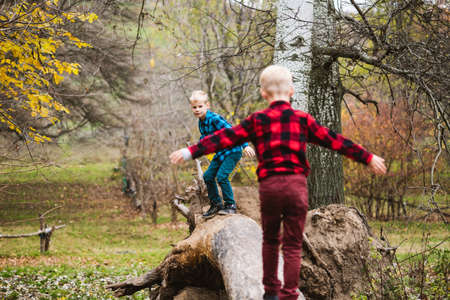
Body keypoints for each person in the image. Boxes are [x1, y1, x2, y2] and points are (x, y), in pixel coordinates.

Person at [170, 66, 387, 300]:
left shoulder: (258, 120)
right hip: (296, 188)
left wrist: (191, 151)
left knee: (271, 241)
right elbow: (334, 140)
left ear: (264, 94)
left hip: (271, 188)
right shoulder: (302, 120)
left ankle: (271, 293)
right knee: (292, 246)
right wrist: (367, 157)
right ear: (291, 91)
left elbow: (223, 138)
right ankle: (290, 294)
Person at [188, 90, 255, 218]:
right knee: (207, 177)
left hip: (233, 151)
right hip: (221, 153)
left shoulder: (214, 119)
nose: (197, 109)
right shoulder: (201, 123)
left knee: (221, 176)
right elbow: (205, 138)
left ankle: (230, 205)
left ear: (207, 105)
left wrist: (245, 146)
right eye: (194, 107)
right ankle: (216, 204)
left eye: (200, 106)